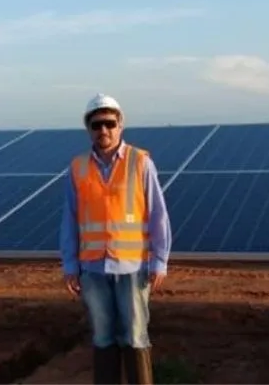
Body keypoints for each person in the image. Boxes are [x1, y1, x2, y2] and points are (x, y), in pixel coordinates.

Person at [59, 93, 172, 385]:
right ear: (89, 129)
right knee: (103, 336)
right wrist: (70, 264)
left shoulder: (140, 162)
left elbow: (158, 214)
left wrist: (159, 261)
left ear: (120, 125)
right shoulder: (78, 167)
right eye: (97, 125)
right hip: (93, 270)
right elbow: (70, 219)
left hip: (132, 268)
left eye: (110, 123)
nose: (103, 131)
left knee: (135, 336)